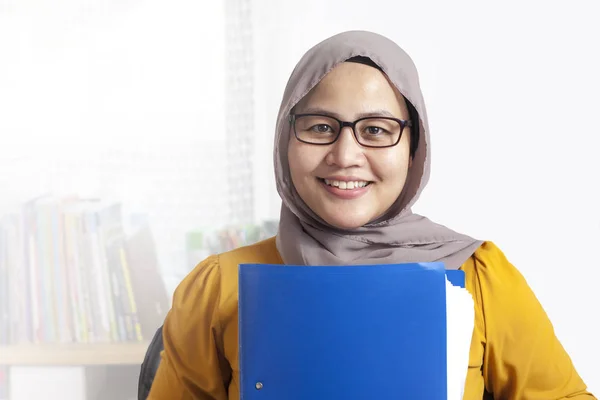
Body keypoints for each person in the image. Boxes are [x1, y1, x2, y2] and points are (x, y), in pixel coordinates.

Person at [147, 30, 595, 399]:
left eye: (376, 130)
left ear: (413, 147)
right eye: (320, 127)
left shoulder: (480, 275)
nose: (346, 155)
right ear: (286, 139)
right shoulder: (216, 285)